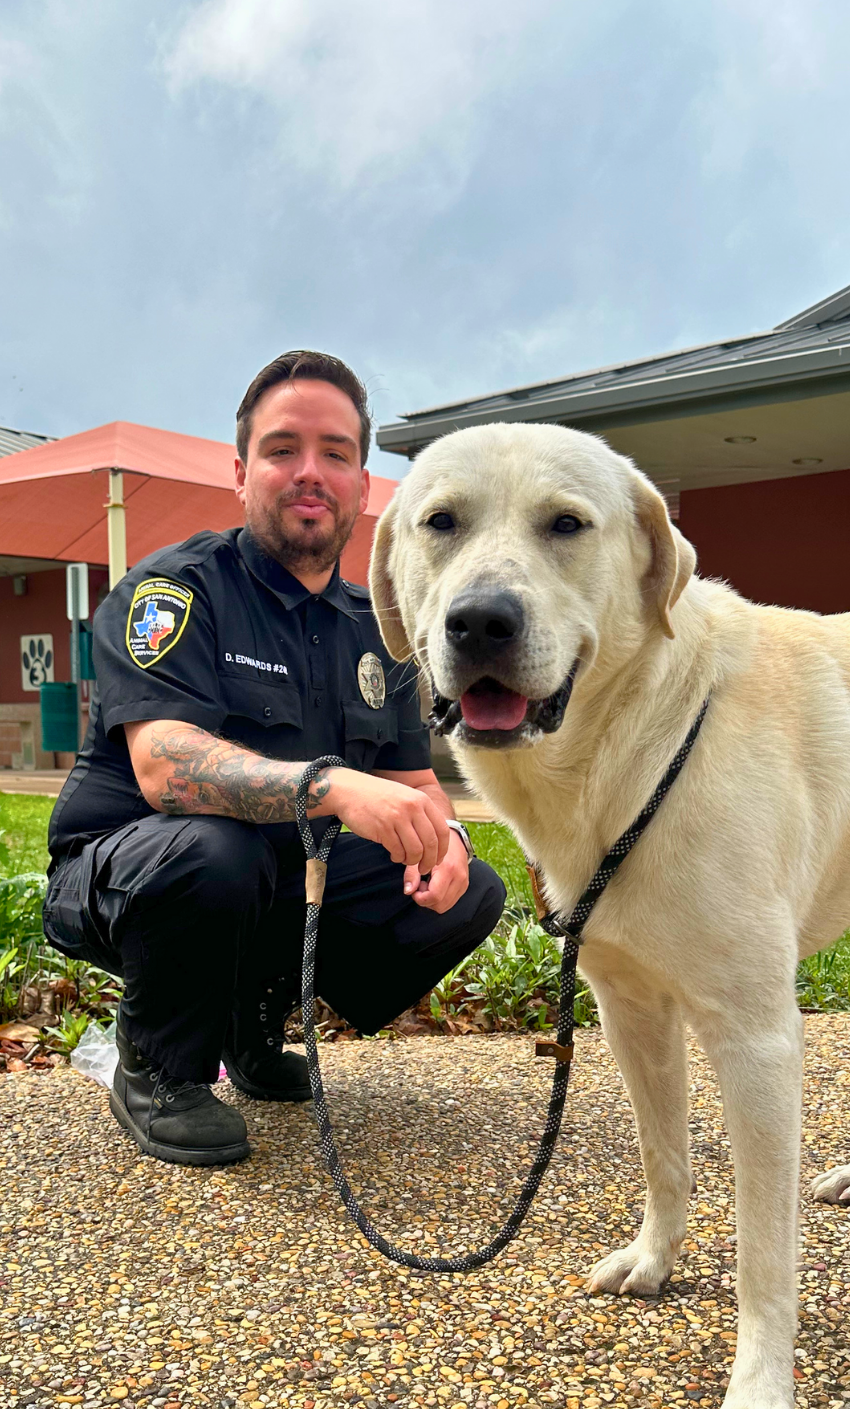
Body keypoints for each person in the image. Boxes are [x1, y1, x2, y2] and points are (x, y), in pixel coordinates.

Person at [43, 351, 506, 1167]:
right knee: (215, 851)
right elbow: (166, 768)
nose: (310, 473)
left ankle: (250, 1019)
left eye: (336, 453)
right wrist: (329, 787)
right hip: (128, 869)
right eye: (282, 449)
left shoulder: (379, 626)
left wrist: (448, 846)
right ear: (241, 472)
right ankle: (155, 1065)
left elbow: (415, 782)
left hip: (277, 876)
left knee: (471, 891)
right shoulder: (176, 592)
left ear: (364, 485)